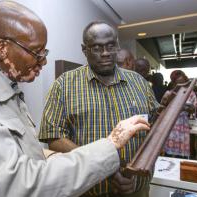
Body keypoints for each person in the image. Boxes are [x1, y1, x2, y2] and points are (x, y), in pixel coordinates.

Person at [0, 2, 151, 197]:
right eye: (36, 52)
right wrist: (109, 146)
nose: (43, 61)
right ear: (3, 49)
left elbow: (29, 159)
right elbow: (14, 183)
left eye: (45, 52)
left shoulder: (10, 92)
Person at [39, 21, 158, 197]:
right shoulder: (64, 85)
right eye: (96, 48)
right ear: (84, 50)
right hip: (89, 191)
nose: (105, 53)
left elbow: (154, 129)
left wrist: (138, 169)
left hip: (137, 189)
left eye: (110, 45)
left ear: (117, 45)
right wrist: (100, 165)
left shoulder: (139, 83)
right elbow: (54, 136)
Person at [163, 70, 197, 158]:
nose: (182, 86)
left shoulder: (190, 93)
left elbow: (195, 108)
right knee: (169, 152)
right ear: (173, 83)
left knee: (182, 153)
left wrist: (190, 109)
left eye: (184, 83)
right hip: (171, 125)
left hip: (183, 125)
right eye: (179, 83)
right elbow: (162, 110)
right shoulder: (169, 94)